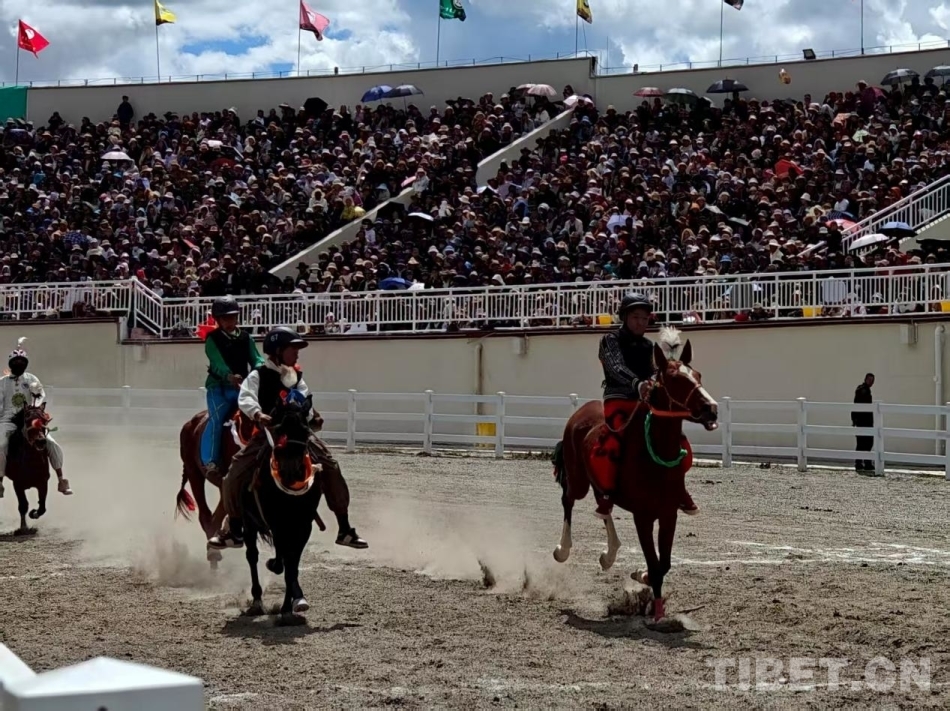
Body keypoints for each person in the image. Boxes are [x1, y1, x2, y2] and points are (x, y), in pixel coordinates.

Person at [208, 326, 368, 550]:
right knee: (234, 473)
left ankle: (344, 528)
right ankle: (234, 529)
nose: (297, 354)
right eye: (293, 349)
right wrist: (258, 414)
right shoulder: (258, 375)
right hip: (269, 433)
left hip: (297, 433)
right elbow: (246, 398)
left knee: (330, 464)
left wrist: (311, 417)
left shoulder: (296, 377)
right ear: (278, 351)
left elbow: (303, 401)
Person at [593, 292, 697, 520]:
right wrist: (637, 383)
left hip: (645, 401)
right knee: (612, 441)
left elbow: (654, 370)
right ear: (624, 317)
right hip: (619, 399)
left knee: (675, 438)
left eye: (644, 318)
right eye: (636, 317)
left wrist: (653, 380)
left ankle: (679, 488)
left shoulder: (649, 345)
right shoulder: (610, 339)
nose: (641, 322)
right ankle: (606, 493)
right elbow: (615, 366)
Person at [200, 296, 264, 477]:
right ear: (218, 320)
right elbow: (217, 362)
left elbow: (256, 358)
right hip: (219, 388)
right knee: (216, 419)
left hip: (243, 388)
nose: (229, 322)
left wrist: (260, 369)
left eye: (232, 317)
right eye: (225, 318)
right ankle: (210, 461)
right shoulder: (212, 339)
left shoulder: (246, 337)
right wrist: (229, 376)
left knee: (264, 413)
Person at [0, 338, 71, 499]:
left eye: (22, 361)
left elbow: (40, 397)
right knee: (1, 444)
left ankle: (61, 479)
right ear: (11, 364)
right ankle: (0, 481)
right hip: (8, 420)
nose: (19, 364)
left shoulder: (32, 379)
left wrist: (35, 406)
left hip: (30, 419)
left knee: (52, 443)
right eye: (15, 361)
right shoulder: (2, 383)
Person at [852, 373, 875, 473]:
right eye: (869, 380)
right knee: (864, 442)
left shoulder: (863, 389)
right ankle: (863, 463)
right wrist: (855, 419)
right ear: (865, 379)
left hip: (865, 420)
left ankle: (863, 462)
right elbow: (857, 404)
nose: (871, 382)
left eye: (872, 380)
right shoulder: (862, 390)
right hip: (863, 420)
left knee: (865, 442)